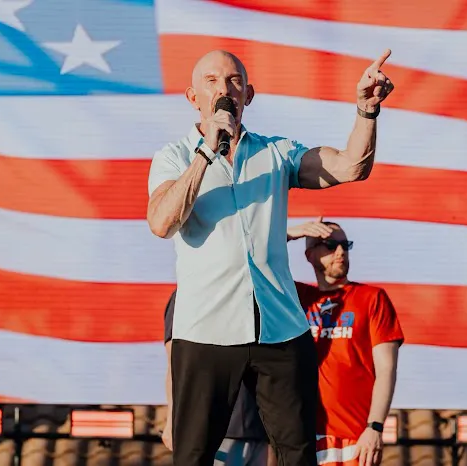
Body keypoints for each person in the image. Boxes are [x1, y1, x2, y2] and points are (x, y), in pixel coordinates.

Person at [146, 48, 395, 466]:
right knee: (193, 456)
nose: (224, 90)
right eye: (211, 81)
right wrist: (206, 153)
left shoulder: (277, 152)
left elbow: (351, 167)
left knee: (297, 454)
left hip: (280, 330)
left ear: (248, 95)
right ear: (193, 97)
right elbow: (161, 222)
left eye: (234, 81)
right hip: (206, 331)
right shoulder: (173, 157)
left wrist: (366, 112)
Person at [287, 218, 404, 466]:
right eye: (330, 245)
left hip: (356, 437)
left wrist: (375, 426)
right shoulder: (297, 297)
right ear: (309, 255)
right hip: (302, 436)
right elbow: (252, 262)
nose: (340, 252)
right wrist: (290, 234)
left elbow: (386, 369)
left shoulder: (372, 298)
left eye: (345, 245)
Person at [162, 289, 277, 466]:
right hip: (214, 427)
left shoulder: (260, 292)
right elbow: (175, 364)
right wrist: (172, 420)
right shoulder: (188, 293)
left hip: (259, 428)